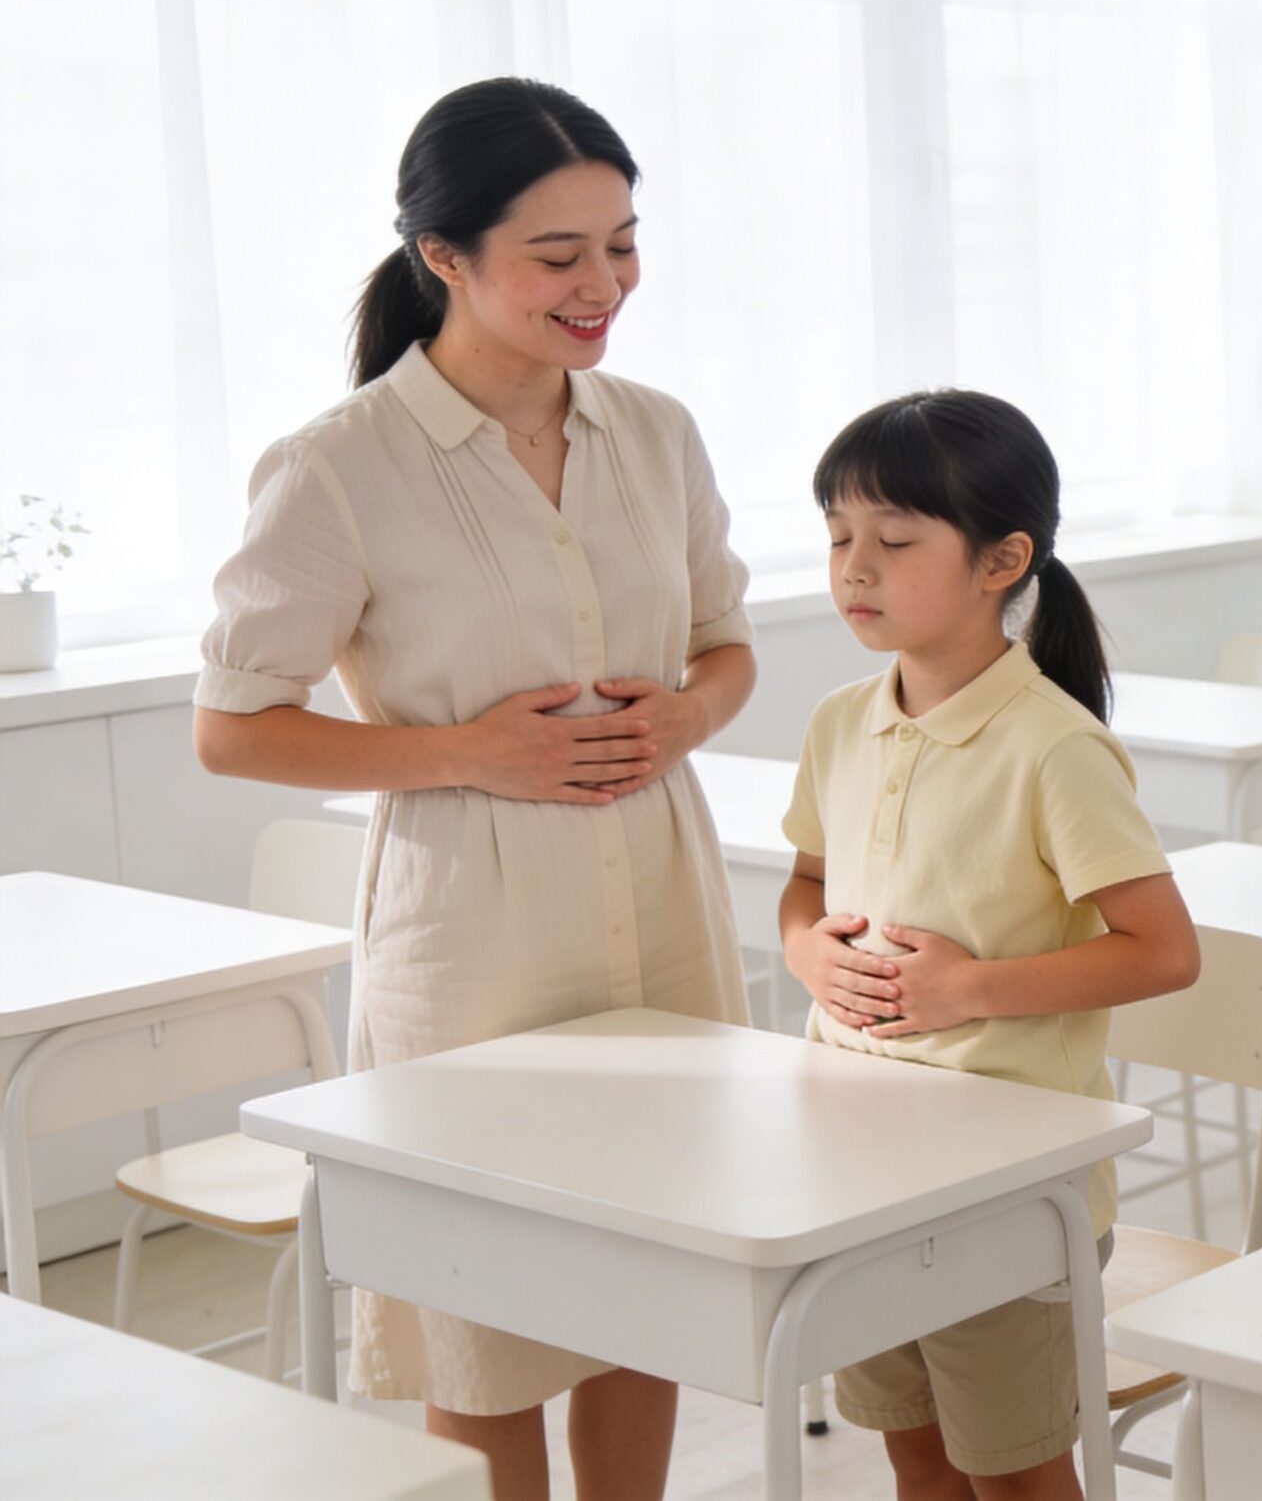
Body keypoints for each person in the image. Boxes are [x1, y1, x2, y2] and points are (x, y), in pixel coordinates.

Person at [195, 77, 754, 1500]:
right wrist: (466, 751)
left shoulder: (658, 431)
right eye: (558, 255)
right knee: (485, 1321)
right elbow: (236, 729)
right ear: (444, 258)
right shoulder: (337, 467)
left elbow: (727, 645)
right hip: (472, 934)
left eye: (621, 244)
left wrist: (687, 712)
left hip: (662, 900)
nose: (603, 285)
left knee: (653, 1278)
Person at [780, 390, 1201, 1501]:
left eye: (895, 541)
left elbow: (1162, 951)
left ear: (1002, 560)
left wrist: (967, 988)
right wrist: (803, 954)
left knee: (1012, 1472)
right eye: (838, 539)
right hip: (861, 1161)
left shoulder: (1055, 746)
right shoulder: (838, 720)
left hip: (1007, 1189)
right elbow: (807, 888)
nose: (854, 569)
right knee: (912, 1447)